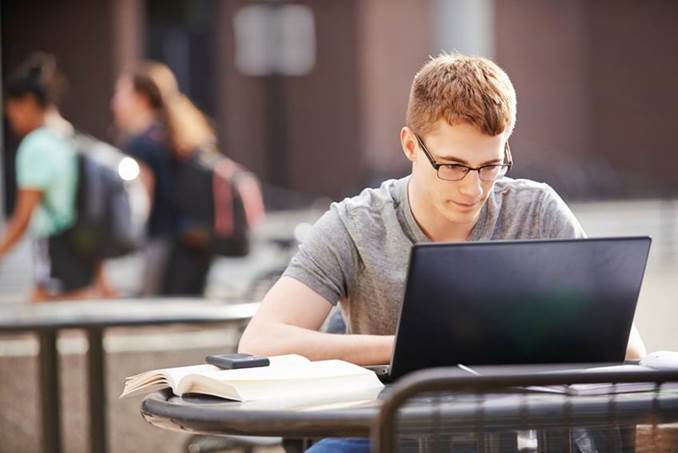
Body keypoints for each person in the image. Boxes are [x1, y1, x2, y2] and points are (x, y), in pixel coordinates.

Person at [237, 53, 646, 452]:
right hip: (396, 429)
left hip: (524, 430)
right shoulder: (356, 225)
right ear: (410, 145)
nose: (473, 189)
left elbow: (627, 348)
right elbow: (261, 341)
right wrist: (412, 346)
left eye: (491, 166)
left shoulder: (536, 210)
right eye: (451, 165)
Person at [1, 52, 114, 301]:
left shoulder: (36, 145)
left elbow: (23, 218)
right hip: (82, 249)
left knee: (48, 325)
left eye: (12, 113)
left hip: (56, 251)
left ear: (28, 102)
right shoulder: (70, 137)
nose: (11, 123)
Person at [110, 62, 216, 295]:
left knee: (155, 320)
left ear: (141, 98)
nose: (114, 103)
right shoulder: (175, 135)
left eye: (120, 94)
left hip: (162, 249)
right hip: (194, 244)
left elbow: (140, 204)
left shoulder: (140, 144)